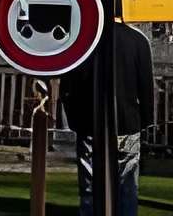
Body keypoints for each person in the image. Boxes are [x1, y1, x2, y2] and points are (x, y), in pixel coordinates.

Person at [57, 19, 153, 216]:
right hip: (127, 122)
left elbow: (68, 87)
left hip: (89, 122)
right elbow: (146, 88)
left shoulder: (82, 40)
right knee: (127, 186)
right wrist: (144, 120)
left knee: (90, 187)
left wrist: (75, 120)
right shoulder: (138, 40)